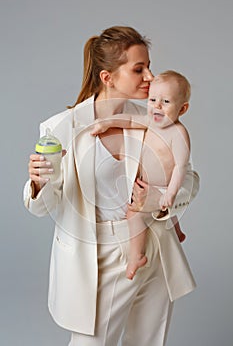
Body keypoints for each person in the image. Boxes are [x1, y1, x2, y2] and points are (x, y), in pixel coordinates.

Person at [23, 26, 200, 346]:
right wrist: (38, 184)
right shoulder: (60, 128)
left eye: (149, 65)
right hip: (97, 259)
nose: (150, 75)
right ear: (108, 77)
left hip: (153, 250)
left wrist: (157, 198)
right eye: (138, 69)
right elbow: (42, 206)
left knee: (149, 341)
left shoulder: (153, 115)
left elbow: (188, 179)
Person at [91, 70, 191, 279]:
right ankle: (177, 230)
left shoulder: (178, 133)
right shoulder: (150, 121)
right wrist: (107, 123)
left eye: (165, 102)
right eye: (153, 99)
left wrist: (169, 194)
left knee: (133, 214)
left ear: (182, 108)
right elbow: (127, 120)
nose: (157, 106)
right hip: (144, 185)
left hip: (159, 188)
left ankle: (137, 256)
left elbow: (181, 168)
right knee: (161, 214)